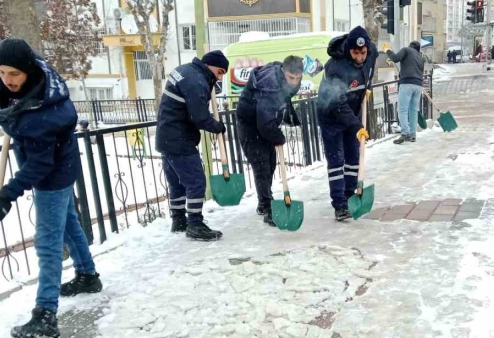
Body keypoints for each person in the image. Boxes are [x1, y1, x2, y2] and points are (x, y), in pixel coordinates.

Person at [0, 38, 102, 338]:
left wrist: (6, 194)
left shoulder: (41, 115)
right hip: (64, 164)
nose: (7, 80)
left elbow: (39, 165)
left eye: (14, 74)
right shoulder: (38, 75)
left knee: (48, 244)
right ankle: (88, 275)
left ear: (28, 71)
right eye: (1, 72)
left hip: (52, 176)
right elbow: (21, 56)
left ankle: (45, 315)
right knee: (69, 223)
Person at [156, 51, 229, 241]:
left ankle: (179, 220)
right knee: (196, 182)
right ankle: (195, 224)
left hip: (166, 136)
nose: (219, 77)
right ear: (210, 65)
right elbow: (199, 117)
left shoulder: (185, 70)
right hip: (179, 139)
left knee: (178, 184)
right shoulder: (196, 81)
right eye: (220, 72)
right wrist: (218, 127)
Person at [317, 26, 378, 221]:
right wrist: (357, 125)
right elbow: (338, 104)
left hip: (352, 112)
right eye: (355, 53)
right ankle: (340, 205)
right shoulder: (335, 68)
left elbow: (369, 69)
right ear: (349, 50)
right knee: (336, 161)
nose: (360, 57)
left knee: (353, 157)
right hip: (331, 115)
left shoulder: (371, 53)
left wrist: (365, 88)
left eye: (363, 53)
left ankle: (351, 195)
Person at [235, 56, 303, 227]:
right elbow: (264, 123)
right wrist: (278, 136)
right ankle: (266, 206)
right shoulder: (269, 85)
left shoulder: (285, 80)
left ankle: (263, 201)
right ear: (283, 71)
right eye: (291, 78)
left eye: (298, 78)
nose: (294, 82)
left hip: (266, 122)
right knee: (261, 166)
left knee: (271, 163)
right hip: (250, 126)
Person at [386, 41, 425, 144]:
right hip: (418, 85)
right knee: (413, 111)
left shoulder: (406, 50)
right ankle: (413, 135)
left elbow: (395, 58)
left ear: (410, 46)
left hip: (407, 83)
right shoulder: (420, 57)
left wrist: (388, 50)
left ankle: (405, 133)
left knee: (402, 109)